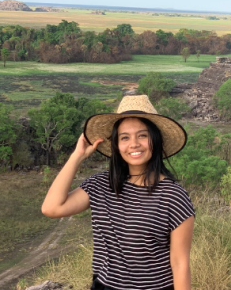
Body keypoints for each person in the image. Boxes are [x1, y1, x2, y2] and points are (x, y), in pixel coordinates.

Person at [41, 95, 194, 290]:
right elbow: (51, 208)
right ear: (115, 145)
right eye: (124, 138)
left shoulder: (174, 196)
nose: (134, 144)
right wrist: (77, 156)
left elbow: (180, 264)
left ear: (154, 140)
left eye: (142, 135)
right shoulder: (101, 185)